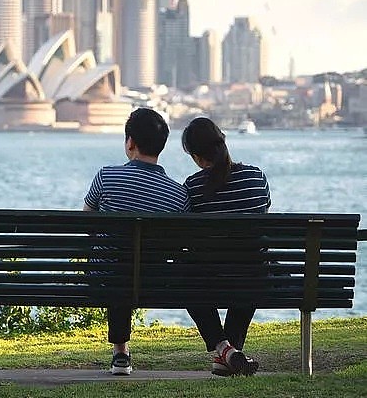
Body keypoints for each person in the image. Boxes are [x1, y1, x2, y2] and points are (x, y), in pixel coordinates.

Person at [83, 107, 188, 375]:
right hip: (154, 279)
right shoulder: (178, 195)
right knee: (131, 263)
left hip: (105, 276)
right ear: (162, 146)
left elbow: (87, 221)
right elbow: (178, 245)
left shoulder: (106, 176)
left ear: (130, 142)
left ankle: (120, 353)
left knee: (117, 261)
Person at [182, 116, 270, 377]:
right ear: (224, 143)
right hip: (253, 278)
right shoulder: (256, 177)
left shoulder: (192, 188)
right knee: (252, 264)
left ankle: (225, 349)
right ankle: (231, 354)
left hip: (208, 280)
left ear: (197, 157)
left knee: (183, 275)